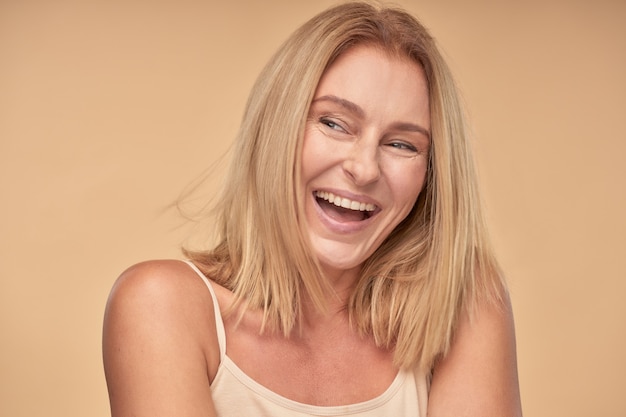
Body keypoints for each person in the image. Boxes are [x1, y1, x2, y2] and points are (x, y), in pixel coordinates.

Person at [102, 2, 522, 416]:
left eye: (402, 144)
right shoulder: (161, 305)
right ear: (276, 129)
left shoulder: (465, 301)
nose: (363, 168)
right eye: (334, 123)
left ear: (431, 175)